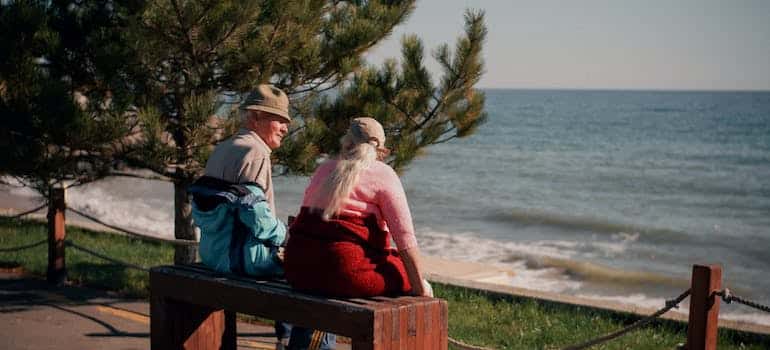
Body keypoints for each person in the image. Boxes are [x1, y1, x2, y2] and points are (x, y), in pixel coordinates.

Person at [189, 84, 334, 350]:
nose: (285, 127)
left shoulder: (225, 147)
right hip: (240, 259)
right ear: (255, 117)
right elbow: (255, 217)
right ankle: (296, 342)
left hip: (213, 253)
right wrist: (289, 238)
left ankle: (285, 335)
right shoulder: (255, 152)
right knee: (321, 281)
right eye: (278, 119)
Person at [284, 117, 433, 299]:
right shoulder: (383, 173)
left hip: (297, 267)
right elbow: (405, 238)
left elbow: (305, 218)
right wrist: (420, 288)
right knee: (400, 271)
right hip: (344, 272)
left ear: (346, 142)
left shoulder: (324, 169)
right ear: (382, 152)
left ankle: (308, 328)